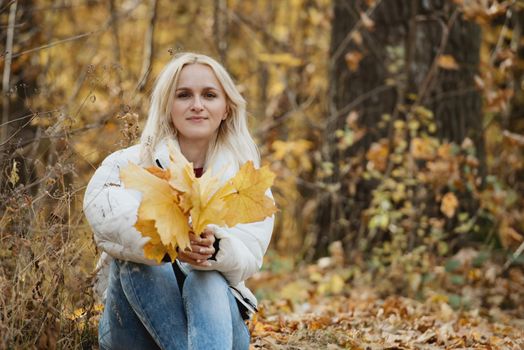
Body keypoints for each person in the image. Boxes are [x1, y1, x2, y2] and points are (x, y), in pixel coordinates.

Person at [83, 52, 275, 350]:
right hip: (133, 326)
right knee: (142, 258)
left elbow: (250, 255)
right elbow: (102, 211)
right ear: (167, 106)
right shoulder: (131, 163)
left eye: (209, 95)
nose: (197, 105)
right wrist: (172, 242)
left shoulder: (244, 179)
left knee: (207, 277)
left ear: (226, 108)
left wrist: (215, 249)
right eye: (184, 95)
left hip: (220, 325)